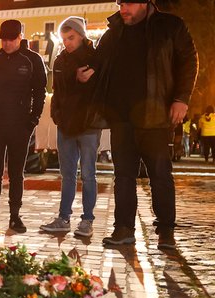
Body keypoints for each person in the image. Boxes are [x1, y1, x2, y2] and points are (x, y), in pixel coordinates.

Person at [87, 0, 197, 249]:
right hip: (121, 117)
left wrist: (181, 99)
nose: (123, 9)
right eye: (120, 3)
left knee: (160, 175)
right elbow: (98, 60)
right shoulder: (115, 30)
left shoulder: (170, 26)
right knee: (123, 176)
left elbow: (188, 62)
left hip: (156, 116)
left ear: (146, 2)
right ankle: (124, 228)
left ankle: (166, 231)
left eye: (129, 3)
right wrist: (87, 68)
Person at [0, 19, 47, 233]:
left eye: (11, 39)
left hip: (19, 126)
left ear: (20, 37)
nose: (7, 43)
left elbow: (40, 92)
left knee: (17, 172)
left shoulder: (32, 60)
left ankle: (15, 216)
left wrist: (33, 120)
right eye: (4, 39)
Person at [39, 17, 101, 238]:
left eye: (71, 38)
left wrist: (83, 80)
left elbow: (99, 88)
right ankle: (63, 218)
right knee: (67, 174)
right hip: (65, 123)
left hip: (87, 124)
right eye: (64, 39)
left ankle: (87, 220)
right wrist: (56, 115)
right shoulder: (61, 60)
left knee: (88, 174)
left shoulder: (95, 57)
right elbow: (57, 90)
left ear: (82, 35)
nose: (67, 43)